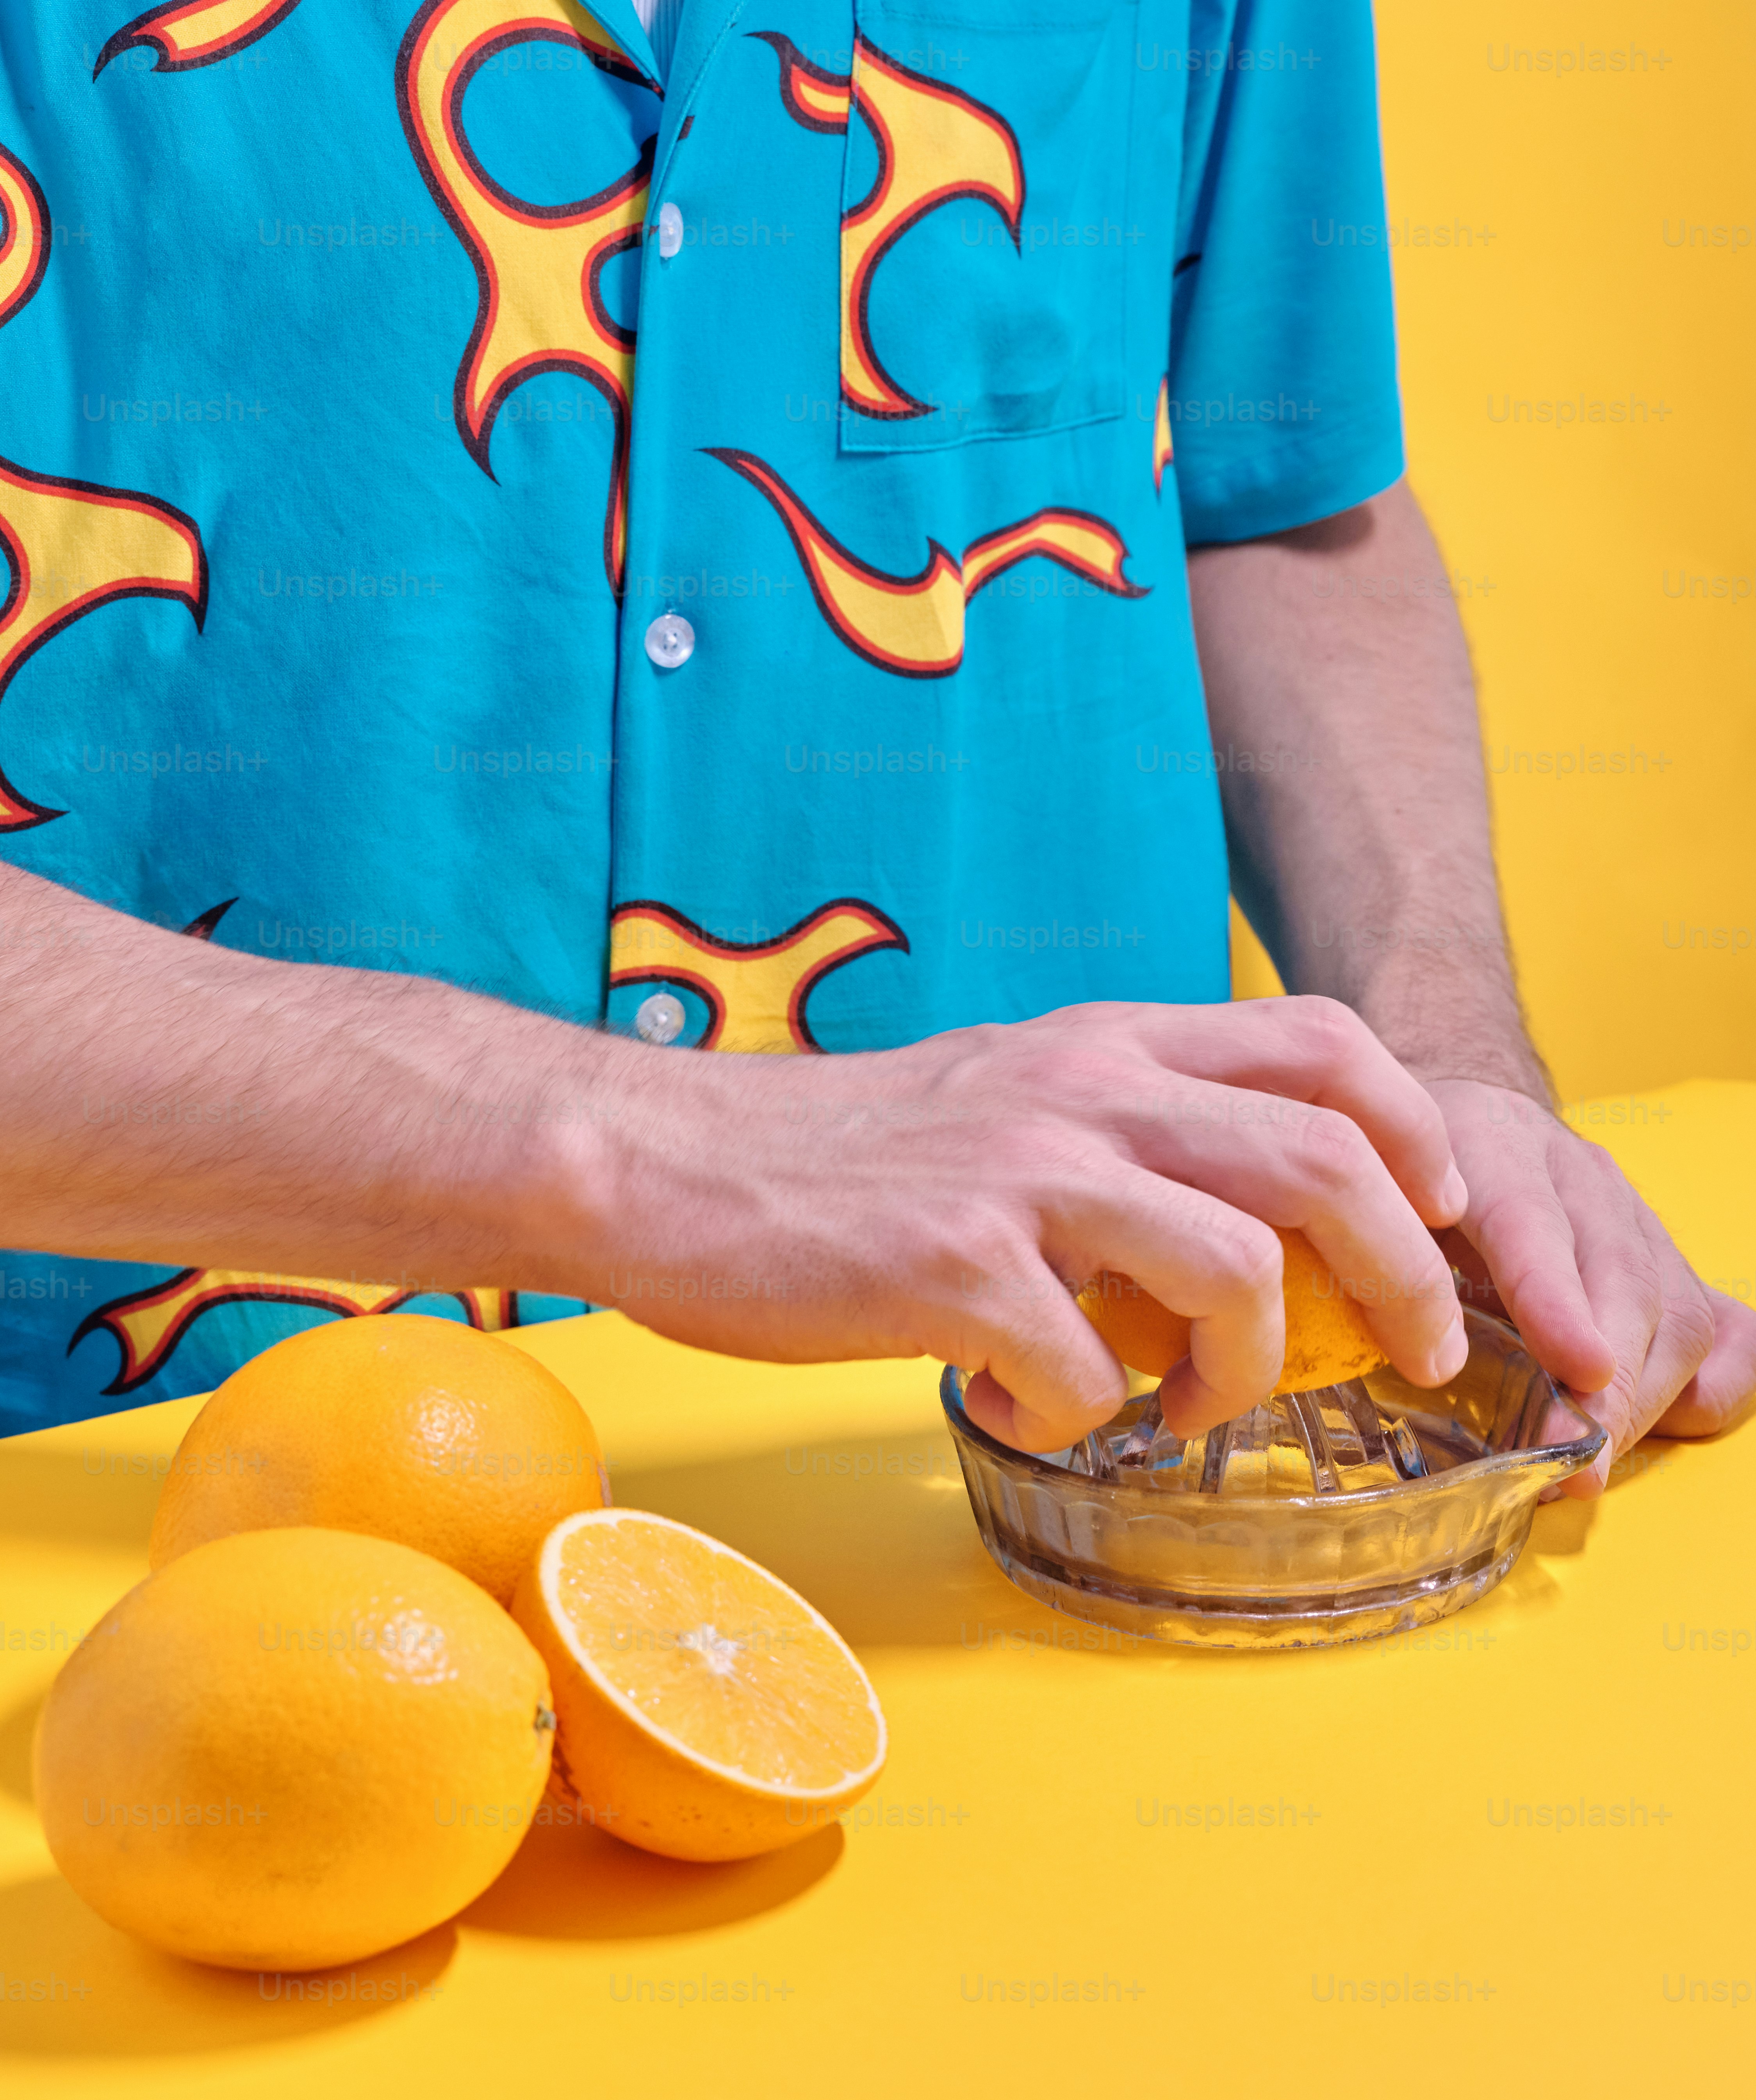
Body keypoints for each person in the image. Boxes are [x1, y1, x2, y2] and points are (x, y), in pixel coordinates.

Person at [0, 0, 1748, 1487]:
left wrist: (1453, 1075)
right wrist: (650, 1158)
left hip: (1037, 1493)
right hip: (145, 1519)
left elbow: (1274, 508)